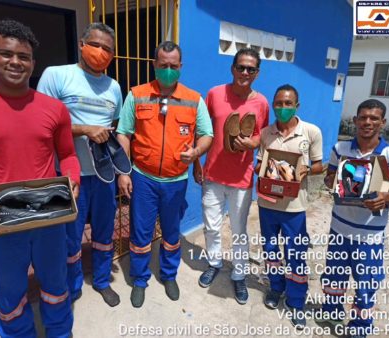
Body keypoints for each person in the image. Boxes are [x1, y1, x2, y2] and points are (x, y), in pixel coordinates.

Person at [0, 20, 80, 337]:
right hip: (1, 218)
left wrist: (72, 180)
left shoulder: (54, 109)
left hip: (49, 214)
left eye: (23, 56)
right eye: (6, 54)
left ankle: (60, 332)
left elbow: (68, 155)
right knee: (9, 294)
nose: (15, 62)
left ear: (33, 63)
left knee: (55, 284)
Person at [117, 41, 213, 308]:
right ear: (154, 65)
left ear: (180, 67)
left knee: (171, 233)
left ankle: (169, 275)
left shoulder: (194, 99)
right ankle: (139, 279)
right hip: (143, 177)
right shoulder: (137, 94)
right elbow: (123, 133)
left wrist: (195, 153)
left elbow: (207, 134)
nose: (168, 70)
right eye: (163, 65)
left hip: (176, 181)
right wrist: (124, 172)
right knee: (140, 233)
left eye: (173, 66)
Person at [37, 23, 122, 307]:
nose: (101, 52)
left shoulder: (114, 87)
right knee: (70, 235)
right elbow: (41, 124)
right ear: (82, 44)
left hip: (104, 174)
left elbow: (114, 129)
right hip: (67, 174)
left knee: (103, 231)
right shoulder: (57, 75)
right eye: (95, 45)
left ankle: (101, 280)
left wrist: (123, 170)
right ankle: (72, 286)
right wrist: (84, 129)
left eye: (107, 49)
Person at [320, 99, 389, 338]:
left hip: (369, 238)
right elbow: (330, 177)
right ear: (355, 120)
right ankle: (331, 312)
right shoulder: (340, 149)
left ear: (383, 122)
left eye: (374, 118)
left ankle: (359, 328)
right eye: (363, 117)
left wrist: (385, 198)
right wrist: (331, 182)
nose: (367, 122)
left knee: (366, 285)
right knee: (334, 278)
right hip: (339, 229)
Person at [193, 47, 269, 304]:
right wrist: (196, 162)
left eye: (251, 69)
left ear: (257, 73)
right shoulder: (214, 94)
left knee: (238, 230)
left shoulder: (261, 102)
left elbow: (264, 135)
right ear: (232, 68)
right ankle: (214, 262)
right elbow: (202, 129)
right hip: (213, 174)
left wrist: (252, 144)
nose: (245, 72)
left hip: (242, 178)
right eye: (241, 67)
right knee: (212, 226)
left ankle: (239, 274)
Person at [255, 84, 323, 329]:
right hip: (267, 203)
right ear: (273, 105)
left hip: (294, 206)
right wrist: (259, 171)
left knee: (296, 255)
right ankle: (275, 288)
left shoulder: (311, 132)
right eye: (278, 103)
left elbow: (319, 165)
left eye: (288, 103)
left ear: (297, 105)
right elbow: (261, 162)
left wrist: (305, 171)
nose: (282, 108)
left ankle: (296, 301)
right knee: (271, 250)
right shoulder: (266, 133)